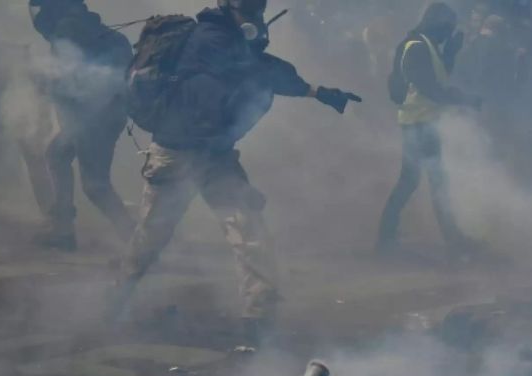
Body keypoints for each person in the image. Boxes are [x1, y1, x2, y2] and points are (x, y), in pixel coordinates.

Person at [111, 0, 361, 339]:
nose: (255, 16)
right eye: (249, 10)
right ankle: (120, 297)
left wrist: (317, 91)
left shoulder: (235, 41)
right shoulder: (209, 37)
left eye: (257, 10)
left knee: (248, 231)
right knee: (152, 235)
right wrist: (311, 90)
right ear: (229, 9)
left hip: (216, 155)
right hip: (176, 152)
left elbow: (259, 68)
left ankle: (258, 318)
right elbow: (256, 69)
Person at [376, 2, 481, 260]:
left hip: (422, 123)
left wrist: (451, 54)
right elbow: (430, 88)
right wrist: (464, 99)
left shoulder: (425, 45)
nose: (448, 35)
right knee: (426, 181)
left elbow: (438, 75)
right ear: (438, 24)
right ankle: (389, 239)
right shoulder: (416, 47)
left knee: (422, 181)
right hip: (417, 124)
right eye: (447, 29)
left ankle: (390, 238)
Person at [28, 0, 135, 251]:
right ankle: (62, 229)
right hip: (103, 115)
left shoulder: (67, 30)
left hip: (90, 118)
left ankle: (137, 245)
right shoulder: (100, 31)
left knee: (96, 185)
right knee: (56, 154)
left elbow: (66, 83)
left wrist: (43, 82)